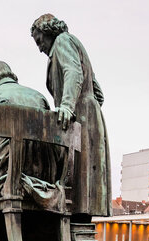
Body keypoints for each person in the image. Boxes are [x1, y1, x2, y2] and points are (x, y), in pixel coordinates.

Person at [30, 14, 111, 218]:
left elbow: (73, 71)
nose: (39, 48)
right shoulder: (71, 44)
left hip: (77, 116)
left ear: (49, 32)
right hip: (88, 114)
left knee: (78, 175)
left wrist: (68, 106)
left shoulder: (62, 41)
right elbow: (98, 92)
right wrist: (90, 107)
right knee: (85, 179)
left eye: (39, 40)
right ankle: (80, 222)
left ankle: (75, 226)